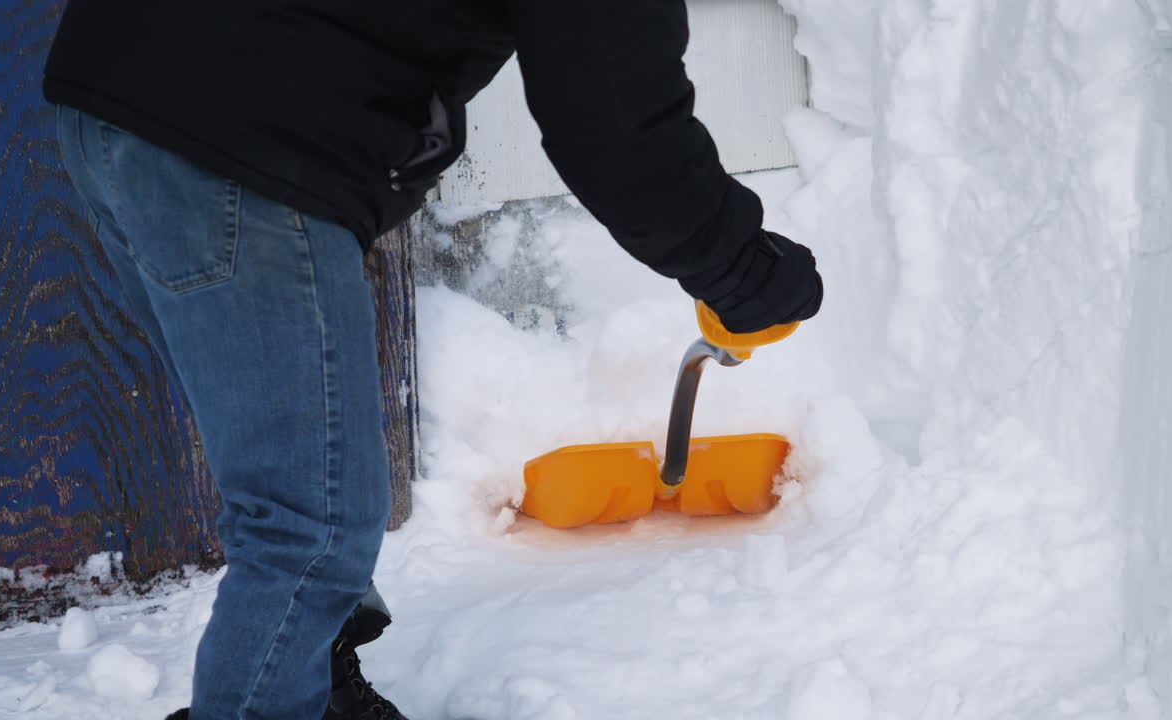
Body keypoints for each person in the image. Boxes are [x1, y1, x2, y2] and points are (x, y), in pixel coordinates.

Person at [42, 1, 824, 718]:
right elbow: (615, 116)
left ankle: (311, 685)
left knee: (293, 469)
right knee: (308, 520)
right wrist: (746, 273)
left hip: (116, 96)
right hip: (236, 137)